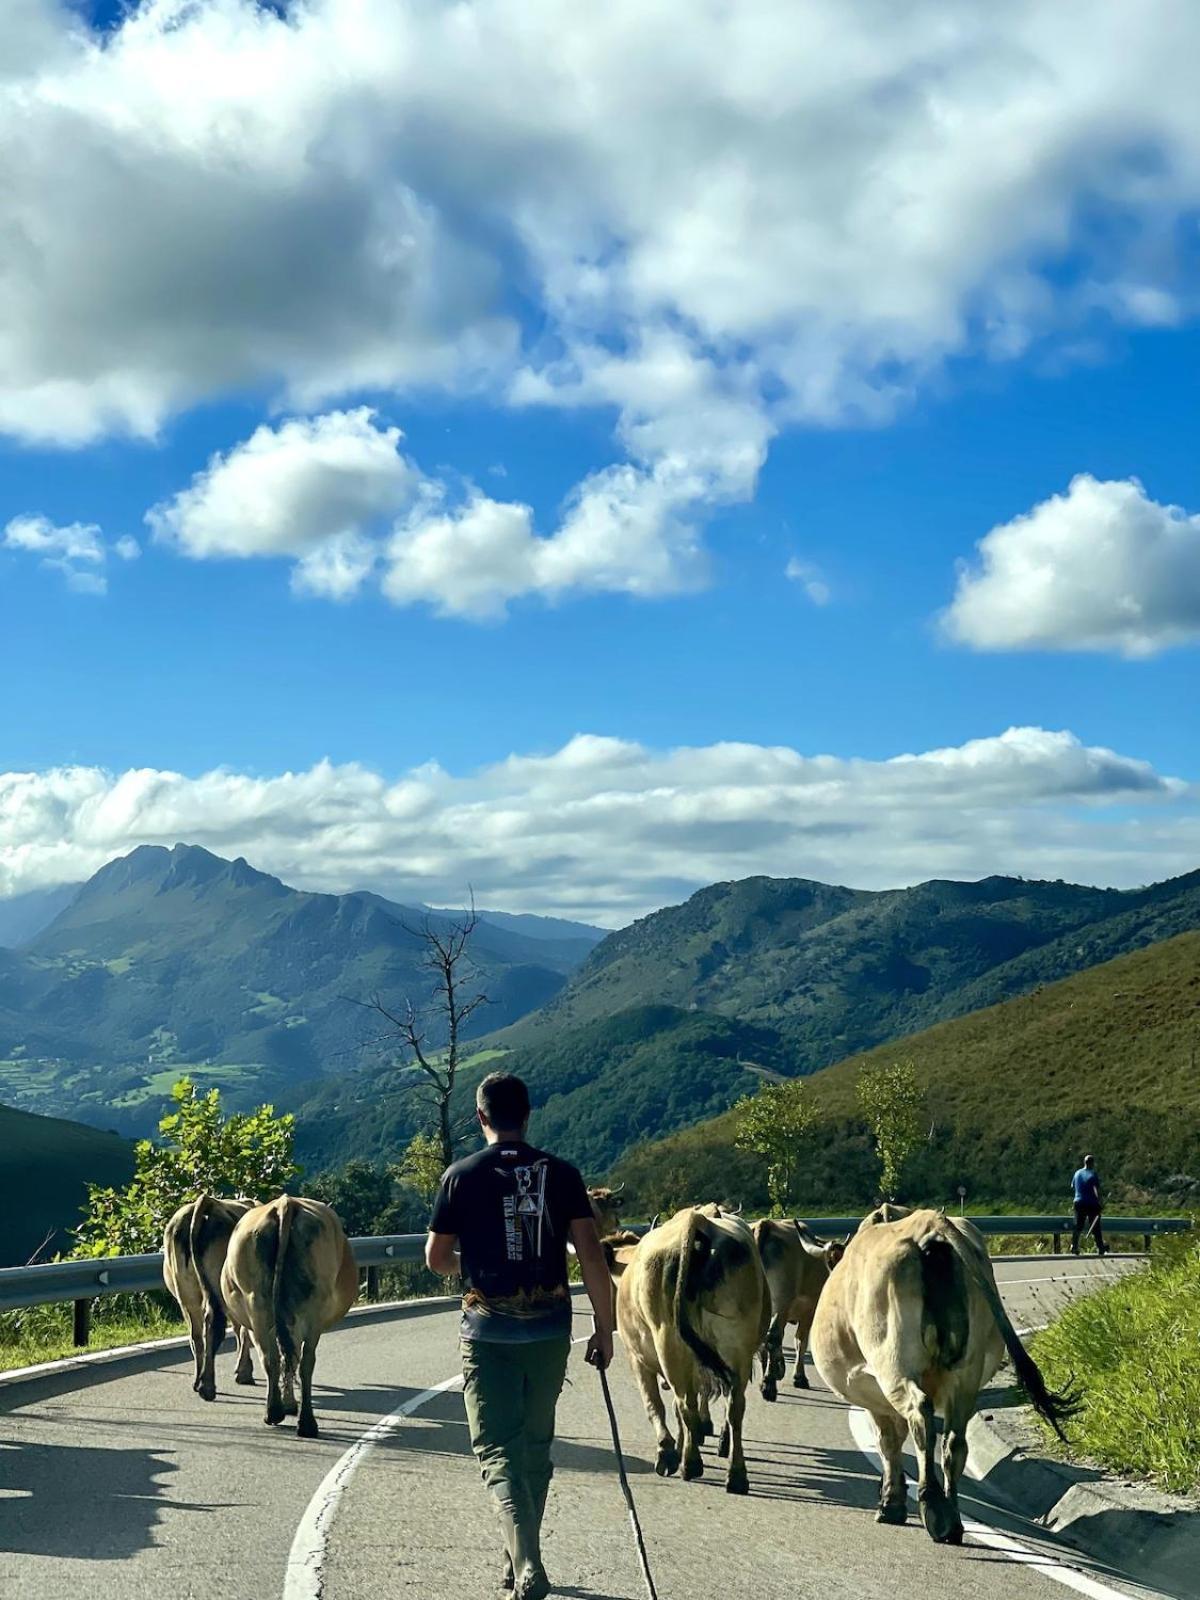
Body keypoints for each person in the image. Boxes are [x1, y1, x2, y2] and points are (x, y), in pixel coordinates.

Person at [425, 1072, 615, 1600]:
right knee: (533, 1446)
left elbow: (438, 1260)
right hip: (552, 1330)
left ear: (481, 1117)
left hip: (488, 1332)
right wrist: (605, 1326)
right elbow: (593, 1256)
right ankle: (519, 1553)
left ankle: (527, 1560)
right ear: (527, 1116)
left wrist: (477, 1260)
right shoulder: (563, 1174)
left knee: (495, 1449)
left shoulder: (460, 1175)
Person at [1070, 1153, 1107, 1256]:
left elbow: (1073, 1186)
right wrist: (1101, 1202)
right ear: (1092, 1163)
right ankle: (1100, 1247)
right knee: (1095, 1226)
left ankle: (1074, 1245)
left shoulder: (1077, 1173)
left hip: (1078, 1201)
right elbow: (1096, 1190)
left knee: (1078, 1225)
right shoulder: (1092, 1174)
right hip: (1091, 1203)